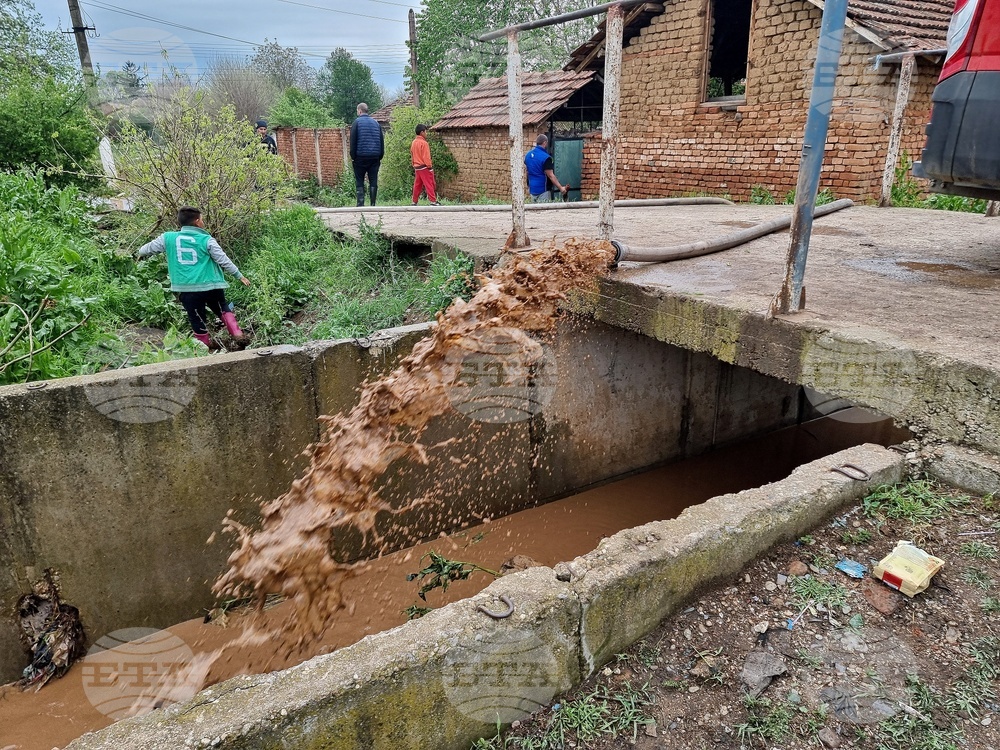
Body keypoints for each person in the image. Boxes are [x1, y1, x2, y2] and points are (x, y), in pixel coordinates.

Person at [136, 207, 251, 349]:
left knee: (196, 317)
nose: (203, 222)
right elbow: (223, 259)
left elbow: (143, 250)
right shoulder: (207, 239)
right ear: (197, 222)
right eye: (201, 219)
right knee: (223, 308)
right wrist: (239, 275)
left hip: (186, 288)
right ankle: (238, 335)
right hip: (211, 285)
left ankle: (204, 348)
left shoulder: (168, 238)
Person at [349, 103, 384, 206]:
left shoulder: (356, 123)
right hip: (374, 157)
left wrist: (353, 157)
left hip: (360, 157)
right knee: (373, 180)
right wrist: (379, 156)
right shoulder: (376, 124)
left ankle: (360, 204)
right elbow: (381, 142)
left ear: (359, 111)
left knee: (359, 180)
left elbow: (353, 142)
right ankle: (373, 204)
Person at [524, 134, 568, 202]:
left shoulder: (528, 155)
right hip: (543, 191)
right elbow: (550, 175)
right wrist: (561, 188)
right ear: (544, 142)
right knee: (544, 211)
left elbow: (527, 171)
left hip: (532, 190)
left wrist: (528, 185)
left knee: (534, 211)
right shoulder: (546, 158)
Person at [410, 124, 441, 206]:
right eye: (425, 131)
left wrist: (414, 164)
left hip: (417, 167)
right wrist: (430, 167)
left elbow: (412, 155)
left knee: (417, 185)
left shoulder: (413, 142)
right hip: (424, 167)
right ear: (422, 132)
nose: (426, 133)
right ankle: (433, 201)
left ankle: (414, 201)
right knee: (429, 183)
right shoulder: (424, 143)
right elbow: (426, 157)